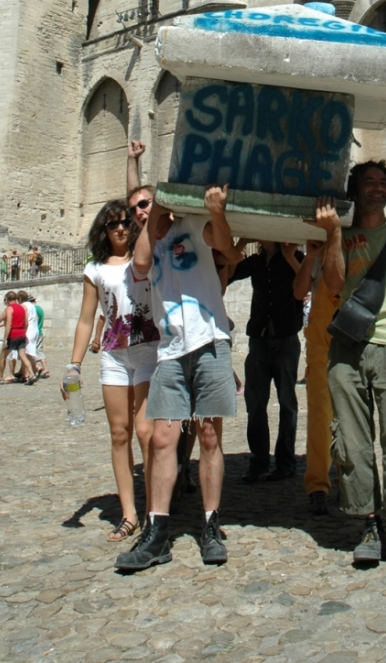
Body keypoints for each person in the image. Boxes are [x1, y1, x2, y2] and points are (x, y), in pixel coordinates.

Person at [115, 185, 236, 572]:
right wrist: (149, 224)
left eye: (145, 203)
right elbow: (139, 265)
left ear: (162, 201)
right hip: (169, 350)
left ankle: (211, 523)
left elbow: (229, 250)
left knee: (209, 436)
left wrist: (216, 210)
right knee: (163, 439)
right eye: (134, 208)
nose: (139, 212)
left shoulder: (192, 223)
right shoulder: (148, 242)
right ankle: (157, 532)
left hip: (210, 339)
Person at [310, 161, 386, 570]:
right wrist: (334, 233)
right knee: (352, 442)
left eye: (382, 183)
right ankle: (368, 523)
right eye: (367, 183)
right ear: (354, 191)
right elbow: (336, 285)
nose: (376, 189)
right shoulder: (337, 235)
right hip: (347, 346)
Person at [66, 199, 160, 542]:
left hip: (150, 349)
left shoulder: (146, 258)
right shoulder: (95, 269)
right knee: (119, 434)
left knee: (146, 432)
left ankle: (155, 510)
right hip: (114, 355)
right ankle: (129, 514)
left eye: (124, 222)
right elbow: (86, 318)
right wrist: (73, 366)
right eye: (112, 224)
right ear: (103, 231)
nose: (120, 228)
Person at [230, 241, 304, 483]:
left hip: (286, 338)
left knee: (287, 403)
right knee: (256, 403)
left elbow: (308, 283)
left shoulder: (297, 257)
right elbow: (228, 273)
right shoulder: (255, 262)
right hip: (259, 339)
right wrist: (240, 242)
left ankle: (285, 463)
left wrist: (290, 255)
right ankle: (258, 462)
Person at [294, 253, 340, 516]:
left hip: (351, 337)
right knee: (320, 417)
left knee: (351, 416)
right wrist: (310, 255)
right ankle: (318, 487)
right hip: (321, 345)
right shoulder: (316, 252)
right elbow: (299, 292)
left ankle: (349, 480)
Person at [0, 292, 35, 384]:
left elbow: (9, 323)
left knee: (3, 356)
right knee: (23, 356)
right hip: (22, 334)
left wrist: (5, 338)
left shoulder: (9, 308)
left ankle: (0, 377)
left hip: (13, 335)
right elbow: (26, 323)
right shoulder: (22, 308)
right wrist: (23, 331)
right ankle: (31, 374)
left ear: (7, 299)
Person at [19, 291, 39, 376]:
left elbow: (24, 319)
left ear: (20, 299)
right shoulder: (32, 305)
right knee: (27, 352)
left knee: (27, 353)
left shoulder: (23, 306)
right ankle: (23, 372)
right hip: (34, 329)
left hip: (28, 330)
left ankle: (36, 369)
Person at [31, 295, 50, 377]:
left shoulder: (33, 309)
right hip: (40, 332)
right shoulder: (40, 308)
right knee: (39, 350)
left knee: (31, 351)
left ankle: (38, 369)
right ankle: (43, 368)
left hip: (35, 332)